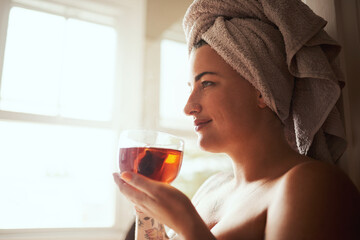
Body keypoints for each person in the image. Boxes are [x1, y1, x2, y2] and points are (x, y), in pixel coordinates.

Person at [113, 0, 360, 239]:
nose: (188, 107)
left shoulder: (312, 184)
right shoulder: (211, 188)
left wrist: (189, 226)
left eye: (207, 83)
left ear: (262, 89)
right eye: (191, 86)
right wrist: (150, 224)